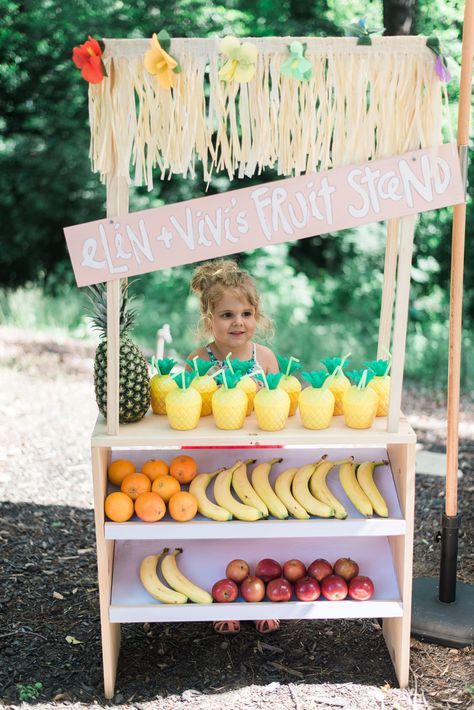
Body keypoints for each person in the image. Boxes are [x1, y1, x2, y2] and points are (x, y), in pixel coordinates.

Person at [187, 258, 280, 635]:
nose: (238, 322)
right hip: (215, 458)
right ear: (209, 319)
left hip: (260, 458)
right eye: (227, 314)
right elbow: (189, 411)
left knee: (263, 525)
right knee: (217, 528)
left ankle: (260, 593)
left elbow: (283, 406)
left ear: (257, 316)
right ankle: (222, 593)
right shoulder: (199, 361)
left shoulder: (266, 359)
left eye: (246, 313)